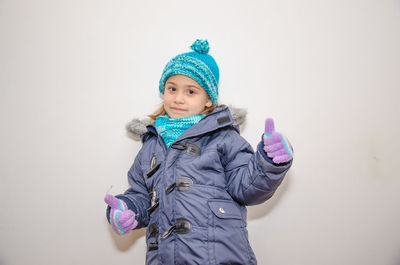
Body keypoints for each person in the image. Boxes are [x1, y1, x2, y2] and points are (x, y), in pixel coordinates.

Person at [104, 39, 293, 265]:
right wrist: (126, 209)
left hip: (219, 257)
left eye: (191, 91)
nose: (178, 98)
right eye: (172, 88)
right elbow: (141, 195)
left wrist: (269, 162)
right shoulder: (150, 146)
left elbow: (247, 188)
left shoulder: (224, 137)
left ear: (208, 100)